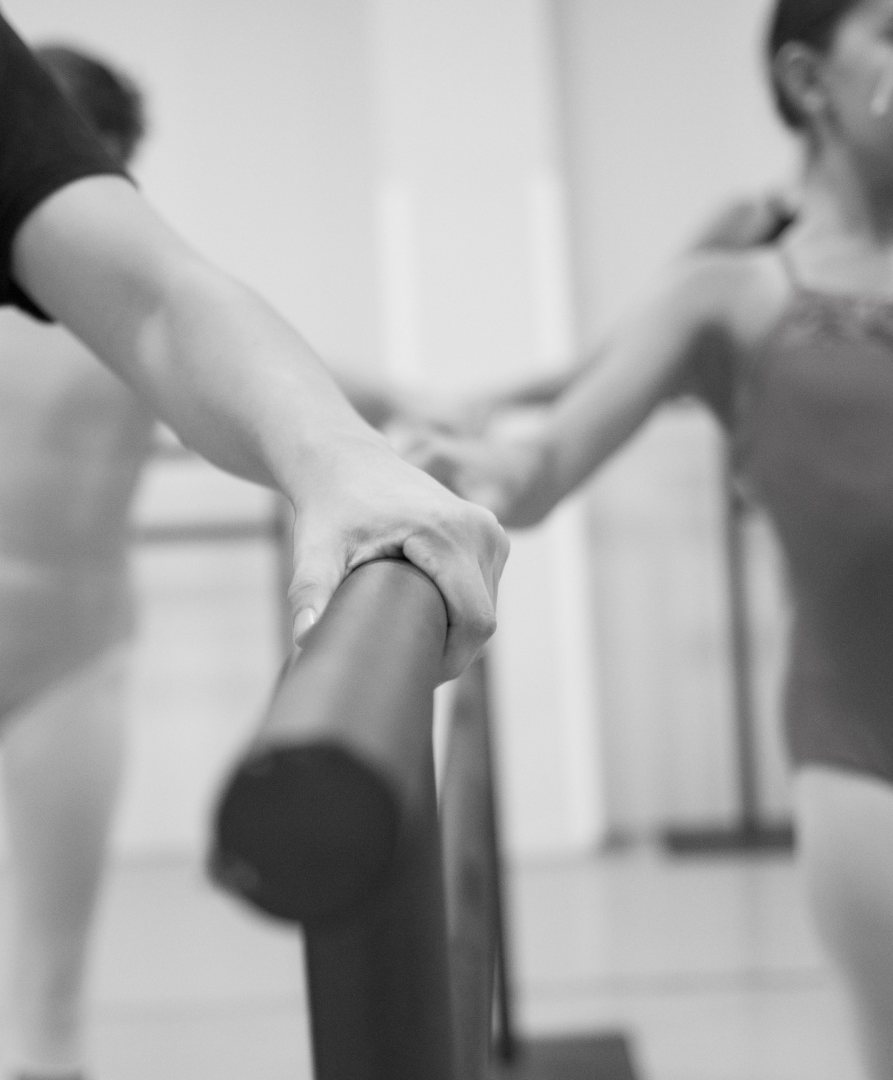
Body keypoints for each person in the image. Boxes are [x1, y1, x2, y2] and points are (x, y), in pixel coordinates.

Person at [0, 3, 508, 1077]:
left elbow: (187, 320)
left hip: (58, 661)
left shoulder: (89, 311)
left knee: (43, 984)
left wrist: (369, 441)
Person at [405, 1, 893, 1075]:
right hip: (867, 760)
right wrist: (481, 453)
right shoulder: (734, 291)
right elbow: (560, 443)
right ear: (813, 84)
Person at [0, 45, 153, 1080]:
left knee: (51, 995)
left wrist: (416, 416)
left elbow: (297, 370)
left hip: (74, 658)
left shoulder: (144, 299)